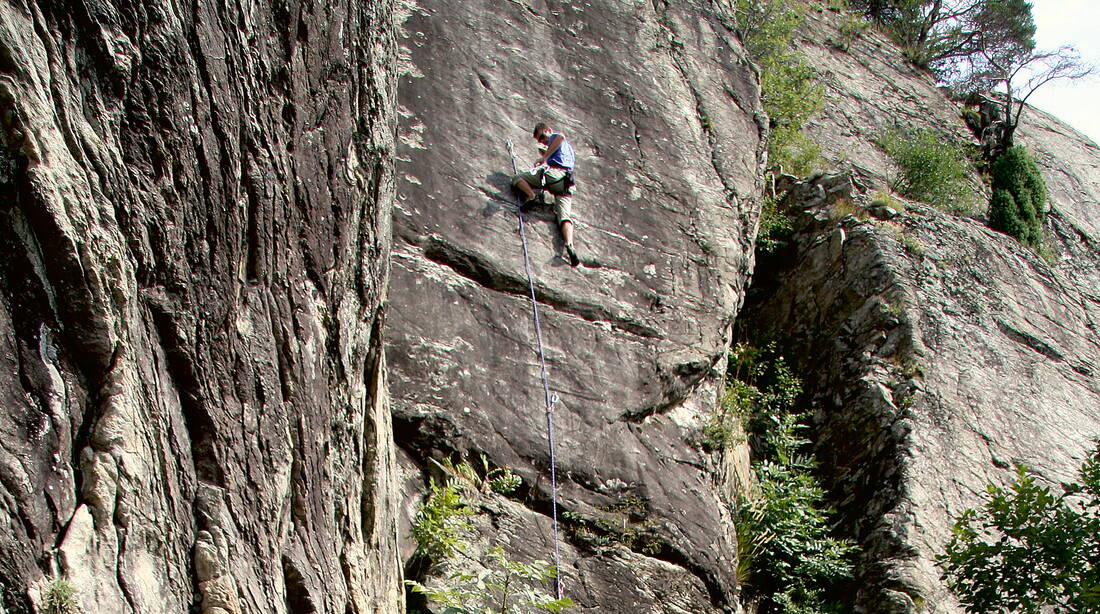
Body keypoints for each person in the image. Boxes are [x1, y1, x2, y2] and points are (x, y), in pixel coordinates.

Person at [512, 122, 580, 267]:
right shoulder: (567, 151)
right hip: (566, 184)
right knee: (564, 217)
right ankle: (569, 244)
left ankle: (531, 196)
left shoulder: (555, 136)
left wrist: (544, 158)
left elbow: (560, 137)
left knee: (518, 179)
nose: (542, 141)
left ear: (549, 130)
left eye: (543, 136)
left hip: (554, 175)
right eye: (540, 140)